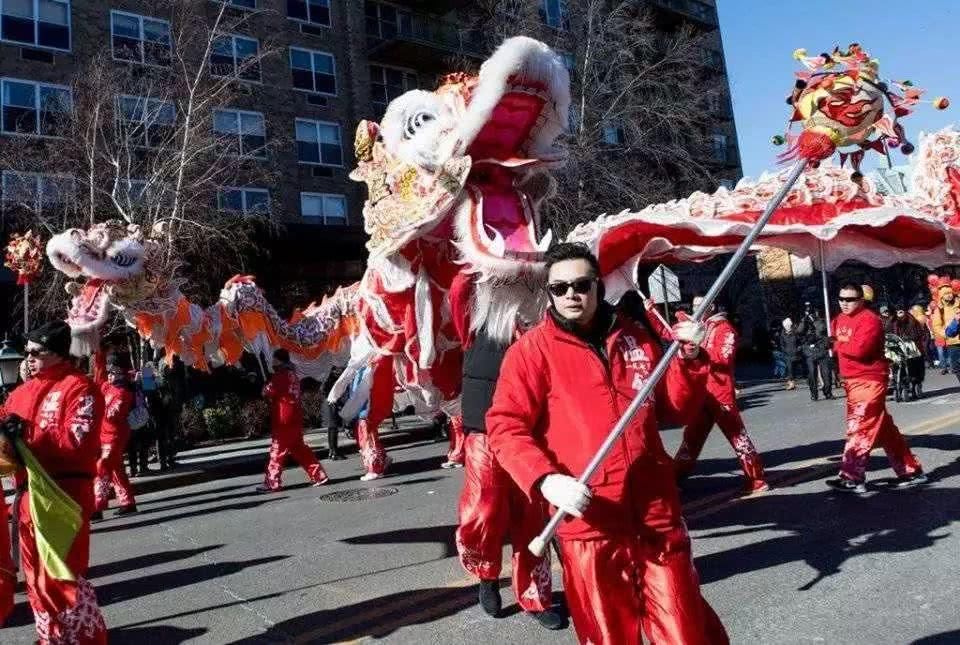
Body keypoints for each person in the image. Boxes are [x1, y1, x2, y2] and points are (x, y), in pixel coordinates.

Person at [487, 243, 728, 645]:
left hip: (655, 515)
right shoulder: (529, 353)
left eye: (581, 284)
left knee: (686, 634)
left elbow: (676, 409)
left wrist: (689, 357)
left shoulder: (636, 338)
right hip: (590, 525)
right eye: (559, 288)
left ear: (598, 286)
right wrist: (545, 479)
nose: (570, 295)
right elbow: (505, 426)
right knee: (609, 637)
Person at [0, 320, 108, 643]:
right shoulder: (18, 395)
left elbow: (77, 440)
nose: (28, 359)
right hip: (27, 500)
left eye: (36, 352)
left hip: (64, 498)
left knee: (64, 576)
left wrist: (29, 437)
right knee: (35, 581)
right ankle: (50, 637)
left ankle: (86, 639)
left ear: (59, 353)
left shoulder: (80, 388)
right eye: (27, 353)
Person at [455, 331, 563, 630]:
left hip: (532, 425)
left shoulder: (543, 302)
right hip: (483, 422)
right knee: (483, 509)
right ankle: (486, 574)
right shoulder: (476, 305)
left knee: (531, 514)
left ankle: (535, 596)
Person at [826, 285, 927, 494]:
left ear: (861, 300)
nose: (845, 302)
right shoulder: (838, 320)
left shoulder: (869, 320)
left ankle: (852, 476)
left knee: (859, 427)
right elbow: (842, 345)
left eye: (850, 299)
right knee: (884, 430)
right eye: (841, 298)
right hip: (851, 380)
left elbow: (860, 349)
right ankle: (911, 470)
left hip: (869, 380)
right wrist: (834, 343)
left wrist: (837, 344)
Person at [670, 296, 768, 493]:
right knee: (691, 438)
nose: (697, 309)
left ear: (712, 305)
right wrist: (652, 312)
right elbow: (669, 334)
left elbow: (723, 358)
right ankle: (674, 478)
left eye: (701, 305)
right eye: (695, 306)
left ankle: (756, 479)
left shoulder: (725, 329)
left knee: (738, 437)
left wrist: (698, 351)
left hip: (720, 394)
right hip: (701, 393)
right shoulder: (699, 326)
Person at [256, 349, 329, 492]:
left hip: (283, 418)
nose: (272, 361)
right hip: (295, 416)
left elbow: (268, 392)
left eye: (273, 359)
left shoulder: (280, 376)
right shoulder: (293, 375)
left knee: (277, 451)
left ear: (278, 360)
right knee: (300, 449)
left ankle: (272, 481)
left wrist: (265, 387)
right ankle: (319, 474)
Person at [92, 358, 138, 520]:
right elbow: (98, 379)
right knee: (116, 469)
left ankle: (96, 506)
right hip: (103, 435)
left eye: (114, 373)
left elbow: (113, 415)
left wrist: (97, 410)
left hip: (115, 436)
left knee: (102, 467)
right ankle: (127, 502)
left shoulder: (124, 393)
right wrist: (98, 355)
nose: (110, 376)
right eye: (110, 373)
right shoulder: (107, 387)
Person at [797, 307, 833, 401]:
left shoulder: (821, 321)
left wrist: (827, 344)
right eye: (808, 312)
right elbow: (799, 332)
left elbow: (827, 333)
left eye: (812, 312)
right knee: (812, 374)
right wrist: (804, 320)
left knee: (826, 374)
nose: (811, 314)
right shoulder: (804, 323)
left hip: (821, 350)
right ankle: (814, 394)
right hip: (810, 351)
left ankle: (827, 392)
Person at [930, 280, 960, 383]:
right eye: (946, 294)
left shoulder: (959, 303)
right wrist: (945, 334)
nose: (949, 296)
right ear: (941, 296)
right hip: (952, 341)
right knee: (955, 367)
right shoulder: (939, 309)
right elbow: (936, 326)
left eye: (950, 293)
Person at [780, 317, 799, 390]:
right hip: (787, 354)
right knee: (789, 368)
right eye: (786, 326)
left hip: (795, 353)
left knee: (793, 369)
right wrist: (784, 350)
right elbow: (781, 343)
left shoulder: (795, 332)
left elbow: (800, 341)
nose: (787, 327)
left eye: (788, 325)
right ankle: (791, 384)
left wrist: (798, 349)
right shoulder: (783, 333)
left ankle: (792, 382)